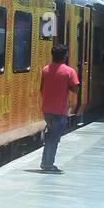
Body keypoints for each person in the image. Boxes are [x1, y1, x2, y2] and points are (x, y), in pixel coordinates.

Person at [38, 43, 80, 173]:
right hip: (59, 110)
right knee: (54, 138)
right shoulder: (69, 71)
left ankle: (46, 163)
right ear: (65, 55)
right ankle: (47, 164)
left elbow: (41, 88)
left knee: (51, 136)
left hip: (47, 110)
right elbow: (76, 89)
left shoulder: (45, 70)